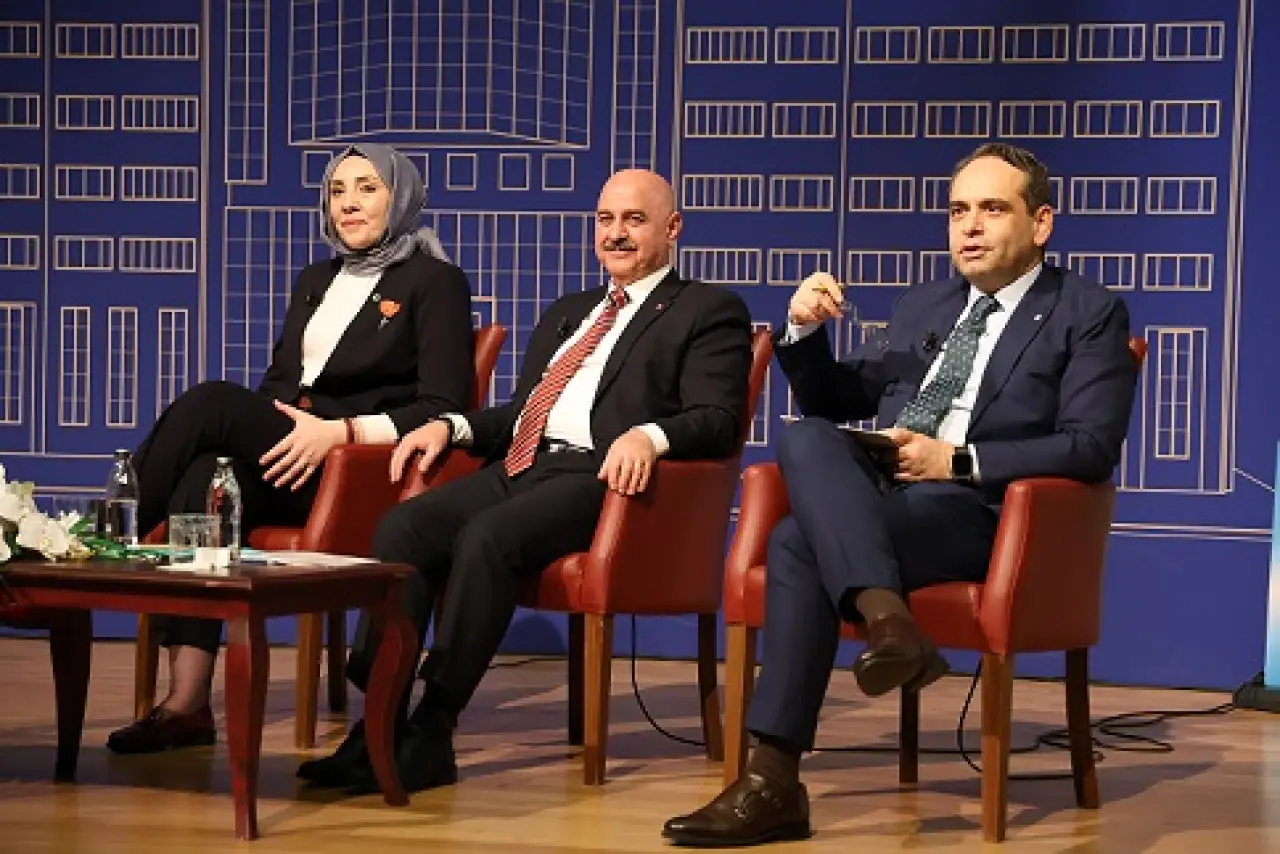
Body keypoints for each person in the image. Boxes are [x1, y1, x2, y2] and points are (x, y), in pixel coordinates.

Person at [662, 142, 1140, 846]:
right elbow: (836, 396)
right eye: (958, 211)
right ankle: (890, 626)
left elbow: (1089, 445)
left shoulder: (1087, 312)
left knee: (795, 543)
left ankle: (773, 780)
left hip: (985, 515)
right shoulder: (926, 304)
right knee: (805, 437)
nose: (969, 226)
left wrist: (958, 461)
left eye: (992, 209)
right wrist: (803, 330)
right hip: (887, 497)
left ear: (1040, 223)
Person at [295, 167, 754, 794]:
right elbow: (521, 412)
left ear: (672, 228)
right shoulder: (571, 312)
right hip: (525, 465)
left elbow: (718, 419)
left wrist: (649, 435)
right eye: (605, 220)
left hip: (604, 480)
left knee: (487, 538)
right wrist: (451, 427)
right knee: (404, 527)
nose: (616, 234)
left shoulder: (707, 310)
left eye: (634, 220)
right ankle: (377, 722)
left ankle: (433, 730)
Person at [106, 144, 476, 755]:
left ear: (400, 197)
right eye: (337, 190)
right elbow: (278, 388)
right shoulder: (316, 280)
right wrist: (272, 433)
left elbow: (443, 406)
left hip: (358, 473)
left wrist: (341, 432)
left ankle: (100, 538)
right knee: (205, 477)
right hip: (293, 460)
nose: (349, 203)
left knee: (211, 401)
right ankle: (187, 706)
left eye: (367, 188)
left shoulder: (434, 281)